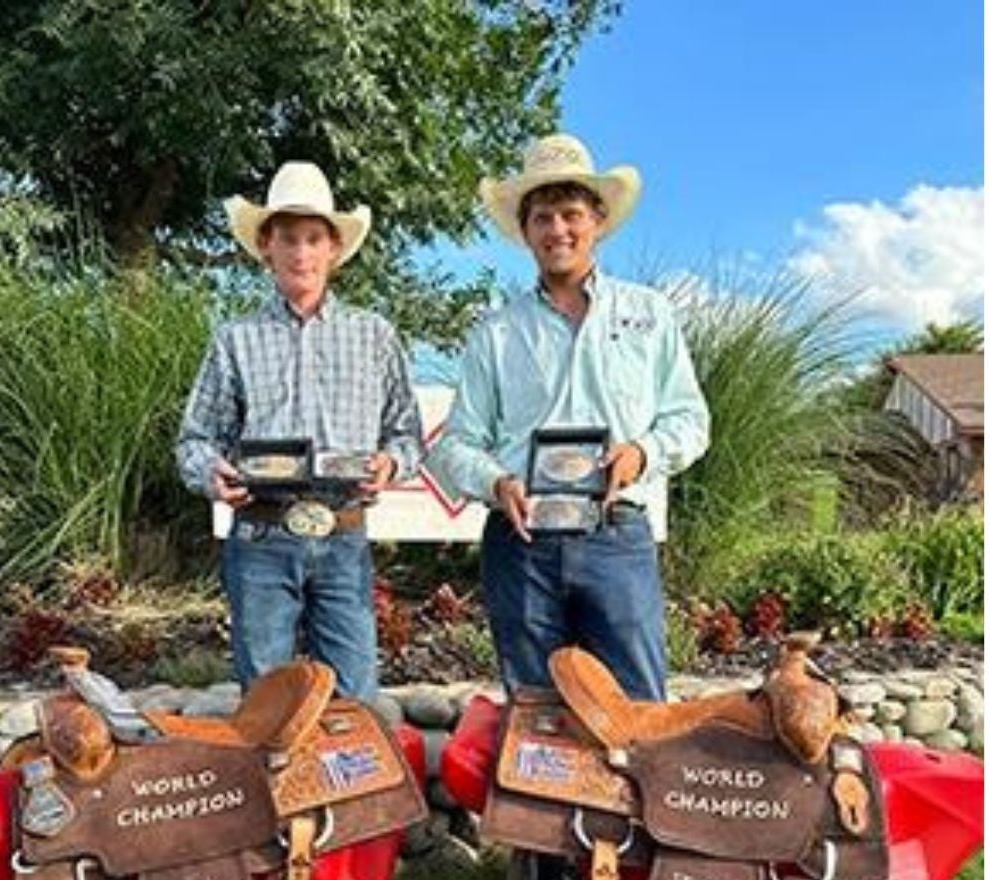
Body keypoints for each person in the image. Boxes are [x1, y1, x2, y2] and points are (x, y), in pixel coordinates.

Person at [429, 133, 709, 702]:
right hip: (522, 538)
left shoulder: (649, 315)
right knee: (536, 716)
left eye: (570, 214)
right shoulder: (496, 333)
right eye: (543, 218)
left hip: (618, 533)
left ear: (598, 220)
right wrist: (495, 481)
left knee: (635, 709)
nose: (558, 230)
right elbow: (456, 443)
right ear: (526, 231)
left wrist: (642, 454)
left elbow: (690, 418)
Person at [176, 162, 422, 700]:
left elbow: (406, 434)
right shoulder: (234, 338)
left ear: (334, 248)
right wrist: (212, 474)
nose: (301, 253)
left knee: (355, 697)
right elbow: (195, 439)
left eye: (314, 238)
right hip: (259, 538)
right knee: (268, 702)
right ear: (267, 245)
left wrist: (391, 464)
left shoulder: (375, 335)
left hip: (344, 535)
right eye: (288, 238)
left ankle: (351, 786)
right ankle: (275, 783)